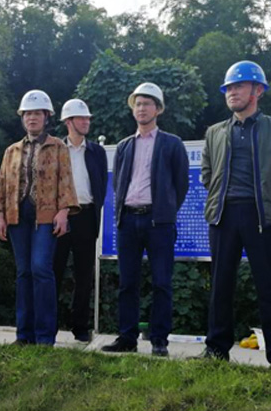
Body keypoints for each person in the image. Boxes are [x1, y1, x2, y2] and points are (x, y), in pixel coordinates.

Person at [200, 61, 271, 374]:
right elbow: (207, 175)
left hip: (263, 216)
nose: (232, 92)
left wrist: (267, 197)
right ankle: (216, 349)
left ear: (257, 90)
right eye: (228, 88)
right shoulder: (215, 132)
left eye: (239, 86)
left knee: (270, 286)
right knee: (220, 284)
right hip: (223, 215)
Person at [101, 83, 189, 356]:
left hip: (158, 222)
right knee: (127, 283)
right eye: (138, 104)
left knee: (162, 282)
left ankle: (159, 340)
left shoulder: (172, 144)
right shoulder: (125, 145)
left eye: (147, 104)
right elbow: (119, 183)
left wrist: (165, 211)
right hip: (128, 220)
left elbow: (181, 185)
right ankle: (127, 338)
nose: (141, 108)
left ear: (158, 109)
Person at [0, 89, 79, 346]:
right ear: (22, 117)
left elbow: (66, 180)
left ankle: (44, 336)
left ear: (46, 117)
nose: (32, 118)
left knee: (41, 268)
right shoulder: (12, 150)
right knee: (23, 272)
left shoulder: (58, 146)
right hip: (17, 214)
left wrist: (64, 211)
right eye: (28, 114)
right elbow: (2, 183)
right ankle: (24, 335)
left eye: (37, 114)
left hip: (46, 215)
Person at [53, 99, 107, 342]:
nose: (86, 122)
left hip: (86, 215)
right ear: (68, 121)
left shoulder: (96, 152)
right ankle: (49, 324)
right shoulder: (55, 149)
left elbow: (101, 186)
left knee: (84, 274)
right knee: (53, 271)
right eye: (81, 118)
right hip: (59, 217)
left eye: (88, 118)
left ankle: (80, 327)